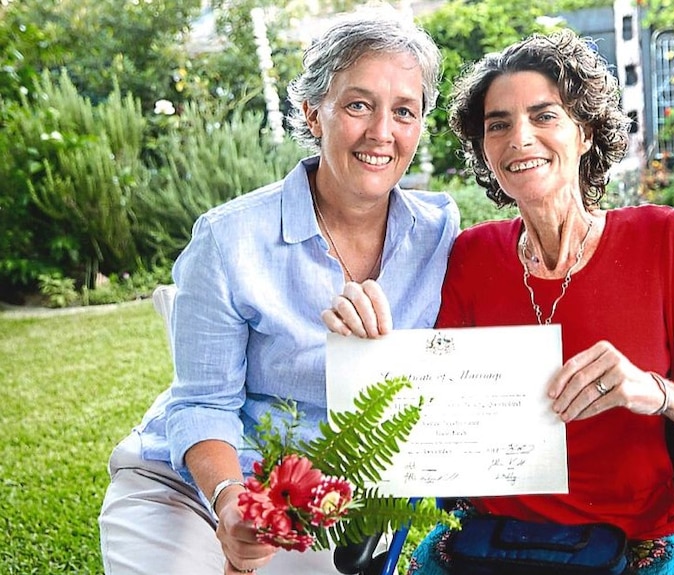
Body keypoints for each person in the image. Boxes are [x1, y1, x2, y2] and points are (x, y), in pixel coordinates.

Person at [328, 29, 674, 575]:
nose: (519, 138)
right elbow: (430, 417)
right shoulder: (473, 254)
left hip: (634, 541)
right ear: (485, 149)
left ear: (586, 132)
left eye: (544, 116)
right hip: (489, 538)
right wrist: (367, 357)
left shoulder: (659, 237)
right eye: (498, 124)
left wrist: (652, 389)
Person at [98, 7, 459, 575]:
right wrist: (231, 505)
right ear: (314, 113)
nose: (381, 132)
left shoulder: (439, 232)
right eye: (358, 104)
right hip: (195, 488)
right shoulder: (229, 239)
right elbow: (202, 404)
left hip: (324, 508)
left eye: (404, 111)